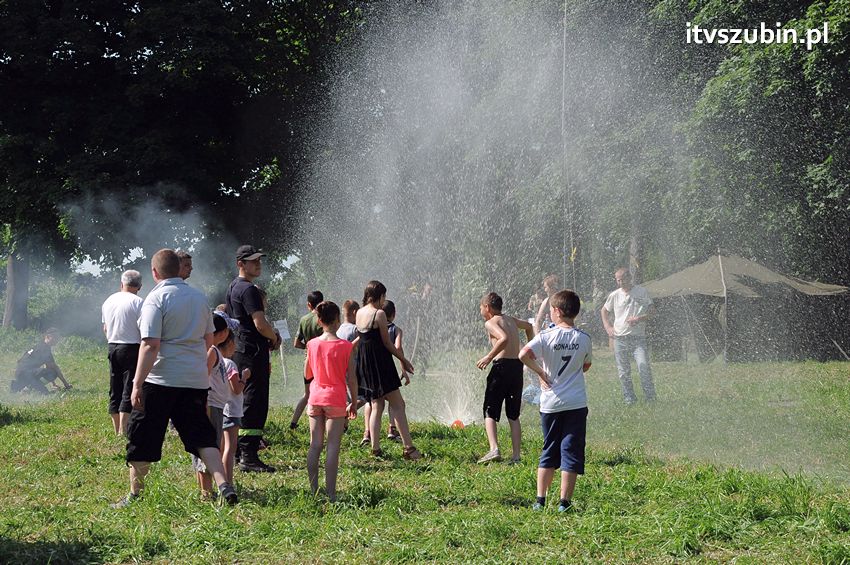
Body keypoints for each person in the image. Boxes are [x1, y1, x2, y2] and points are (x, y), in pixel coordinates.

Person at [113, 248, 236, 508]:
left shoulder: (155, 299)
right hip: (194, 380)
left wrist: (136, 384)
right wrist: (192, 365)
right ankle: (224, 485)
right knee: (202, 435)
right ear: (179, 269)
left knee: (142, 437)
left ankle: (135, 496)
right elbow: (208, 339)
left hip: (160, 380)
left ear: (154, 272)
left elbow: (150, 345)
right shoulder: (200, 298)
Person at [519, 289, 592, 512]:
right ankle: (564, 503)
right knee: (571, 450)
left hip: (550, 403)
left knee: (549, 448)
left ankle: (540, 500)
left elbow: (523, 354)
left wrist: (541, 373)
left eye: (551, 309)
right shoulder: (584, 338)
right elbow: (586, 366)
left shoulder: (545, 337)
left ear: (557, 312)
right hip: (576, 403)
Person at [225, 245, 282, 473]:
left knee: (240, 399)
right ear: (241, 263)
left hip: (239, 349)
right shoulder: (249, 290)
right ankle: (248, 456)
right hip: (253, 352)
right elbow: (260, 322)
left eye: (259, 260)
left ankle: (238, 450)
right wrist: (274, 337)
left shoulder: (232, 287)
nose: (258, 264)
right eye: (252, 261)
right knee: (255, 403)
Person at [356, 280, 422, 460]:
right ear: (380, 296)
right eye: (383, 295)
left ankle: (375, 448)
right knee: (398, 404)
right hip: (381, 364)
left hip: (366, 364)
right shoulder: (379, 314)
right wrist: (403, 359)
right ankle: (409, 449)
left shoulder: (360, 312)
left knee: (377, 404)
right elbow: (386, 343)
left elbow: (363, 339)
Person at [305, 301, 358, 502]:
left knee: (315, 445)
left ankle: (313, 491)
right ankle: (331, 493)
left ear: (319, 321)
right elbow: (351, 378)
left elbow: (308, 373)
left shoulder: (311, 344)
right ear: (337, 320)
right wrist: (353, 401)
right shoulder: (345, 346)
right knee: (333, 446)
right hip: (336, 399)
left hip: (315, 397)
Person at [475, 292, 534, 464]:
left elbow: (504, 338)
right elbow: (530, 327)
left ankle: (494, 449)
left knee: (489, 410)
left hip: (501, 368)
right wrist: (530, 348)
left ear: (487, 307)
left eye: (481, 307)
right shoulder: (511, 320)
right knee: (513, 414)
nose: (480, 310)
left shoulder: (491, 322)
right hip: (516, 367)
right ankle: (516, 456)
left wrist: (488, 357)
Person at [600, 268, 656, 404]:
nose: (620, 283)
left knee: (643, 367)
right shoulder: (614, 295)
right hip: (620, 338)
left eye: (623, 279)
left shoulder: (641, 292)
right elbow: (604, 311)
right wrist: (608, 327)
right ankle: (629, 399)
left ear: (629, 278)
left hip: (638, 339)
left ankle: (650, 398)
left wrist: (638, 318)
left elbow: (652, 312)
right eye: (618, 280)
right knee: (623, 371)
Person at [192, 315, 232, 499]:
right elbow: (203, 379)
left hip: (214, 406)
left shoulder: (211, 350)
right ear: (223, 333)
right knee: (209, 450)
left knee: (209, 448)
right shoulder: (211, 351)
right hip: (211, 406)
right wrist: (205, 407)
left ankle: (206, 492)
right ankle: (206, 494)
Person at [101, 269, 144, 435]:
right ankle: (123, 430)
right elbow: (143, 329)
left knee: (115, 387)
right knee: (129, 386)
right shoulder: (139, 302)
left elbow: (105, 328)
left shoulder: (108, 301)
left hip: (112, 345)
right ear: (139, 286)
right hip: (132, 347)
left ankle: (116, 427)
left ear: (122, 284)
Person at [361, 300, 408, 445]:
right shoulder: (396, 329)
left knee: (372, 402)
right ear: (393, 314)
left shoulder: (371, 326)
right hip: (386, 369)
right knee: (395, 403)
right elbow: (398, 348)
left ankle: (367, 433)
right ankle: (392, 429)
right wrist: (403, 367)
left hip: (370, 368)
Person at [290, 290, 325, 429]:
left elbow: (296, 343)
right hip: (323, 362)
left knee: (307, 394)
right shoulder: (324, 319)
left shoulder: (304, 320)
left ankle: (293, 422)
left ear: (309, 305)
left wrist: (308, 347)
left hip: (309, 362)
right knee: (325, 392)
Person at [220, 331, 250, 486]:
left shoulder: (216, 361)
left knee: (222, 447)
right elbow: (236, 389)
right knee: (230, 449)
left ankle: (221, 480)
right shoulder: (230, 364)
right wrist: (244, 377)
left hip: (222, 408)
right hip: (232, 411)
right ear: (230, 343)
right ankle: (228, 482)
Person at [10, 328, 72, 394]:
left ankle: (21, 386)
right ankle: (28, 387)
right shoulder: (44, 349)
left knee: (49, 372)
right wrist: (66, 384)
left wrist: (53, 384)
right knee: (53, 374)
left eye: (58, 338)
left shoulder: (40, 345)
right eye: (55, 337)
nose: (57, 340)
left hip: (21, 373)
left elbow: (48, 366)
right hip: (25, 373)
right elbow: (55, 368)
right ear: (47, 337)